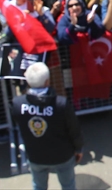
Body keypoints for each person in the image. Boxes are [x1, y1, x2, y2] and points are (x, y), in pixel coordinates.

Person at [11, 62, 85, 190]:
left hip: (35, 155)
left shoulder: (17, 104)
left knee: (38, 186)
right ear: (47, 81)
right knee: (68, 186)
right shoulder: (61, 103)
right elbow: (74, 129)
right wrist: (78, 149)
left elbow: (19, 122)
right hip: (63, 155)